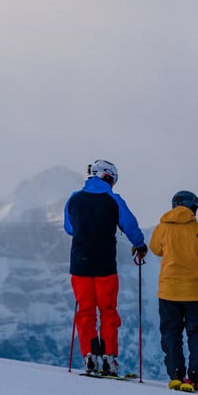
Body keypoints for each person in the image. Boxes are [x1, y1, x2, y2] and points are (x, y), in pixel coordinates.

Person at [64, 159, 148, 376]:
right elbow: (129, 225)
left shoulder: (74, 199)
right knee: (107, 311)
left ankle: (89, 355)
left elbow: (69, 228)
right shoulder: (113, 199)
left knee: (85, 311)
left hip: (79, 265)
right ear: (109, 177)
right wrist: (139, 245)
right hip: (105, 266)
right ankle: (109, 357)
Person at [149, 190, 198, 392]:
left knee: (171, 334)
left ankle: (176, 376)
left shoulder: (162, 228)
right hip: (195, 292)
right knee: (196, 334)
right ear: (193, 207)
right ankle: (196, 378)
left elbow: (155, 249)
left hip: (168, 291)